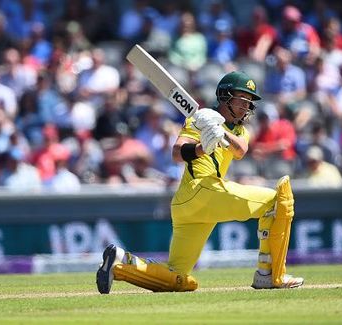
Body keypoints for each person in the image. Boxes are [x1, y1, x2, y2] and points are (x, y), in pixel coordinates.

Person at [96, 71, 304, 293]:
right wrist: (201, 147)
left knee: (178, 277)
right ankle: (269, 274)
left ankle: (121, 262)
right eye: (242, 99)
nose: (246, 106)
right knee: (278, 201)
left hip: (190, 205)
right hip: (202, 189)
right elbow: (177, 153)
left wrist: (220, 130)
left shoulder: (240, 129)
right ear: (225, 96)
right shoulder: (199, 119)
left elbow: (241, 150)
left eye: (250, 101)